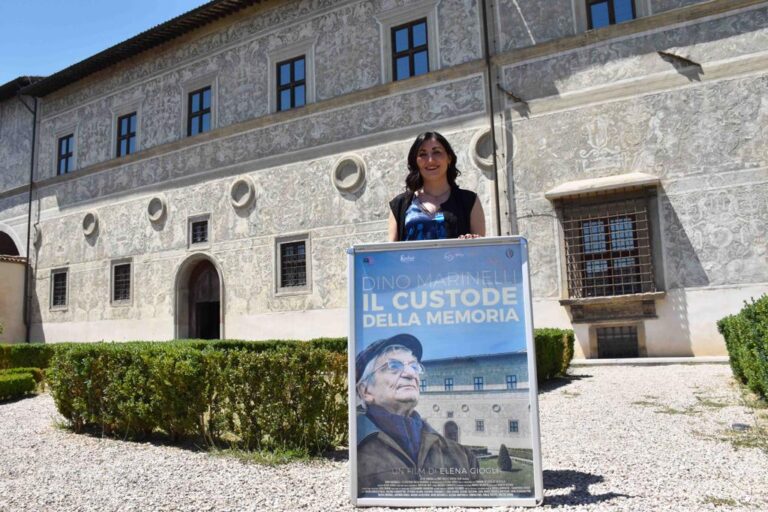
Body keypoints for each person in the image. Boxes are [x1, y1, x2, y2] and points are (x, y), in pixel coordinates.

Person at [355, 334, 479, 493]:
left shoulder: (463, 455)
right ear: (365, 390)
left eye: (414, 366)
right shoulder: (357, 448)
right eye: (394, 366)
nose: (410, 374)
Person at [388, 131, 486, 241]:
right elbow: (391, 252)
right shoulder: (400, 204)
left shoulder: (469, 201)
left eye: (437, 152)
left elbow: (480, 251)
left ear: (449, 158)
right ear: (416, 162)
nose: (430, 160)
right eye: (422, 154)